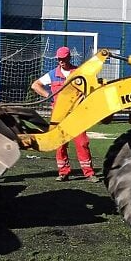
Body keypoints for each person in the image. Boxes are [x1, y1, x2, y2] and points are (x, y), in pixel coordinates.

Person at [31, 46, 99, 182]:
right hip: (59, 116)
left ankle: (89, 173)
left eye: (63, 59)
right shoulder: (52, 74)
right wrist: (49, 95)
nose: (61, 62)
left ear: (69, 58)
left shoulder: (79, 73)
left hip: (77, 115)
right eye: (59, 59)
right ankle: (63, 172)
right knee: (60, 144)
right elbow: (35, 85)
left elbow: (92, 89)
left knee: (82, 143)